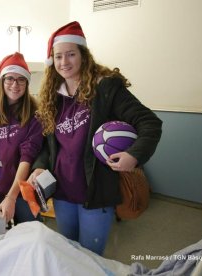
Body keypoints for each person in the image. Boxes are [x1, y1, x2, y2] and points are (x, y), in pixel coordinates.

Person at [29, 21, 162, 256]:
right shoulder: (52, 96)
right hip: (62, 194)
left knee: (90, 259)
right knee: (68, 253)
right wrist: (40, 167)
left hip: (96, 193)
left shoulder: (105, 88)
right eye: (58, 56)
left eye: (71, 54)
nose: (64, 62)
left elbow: (149, 123)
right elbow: (49, 146)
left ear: (83, 55)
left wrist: (133, 155)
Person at [0, 52, 44, 225]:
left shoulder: (34, 115)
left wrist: (11, 197)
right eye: (10, 79)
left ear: (27, 83)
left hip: (23, 190)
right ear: (2, 81)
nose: (15, 85)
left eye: (21, 79)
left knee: (29, 233)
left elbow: (27, 158)